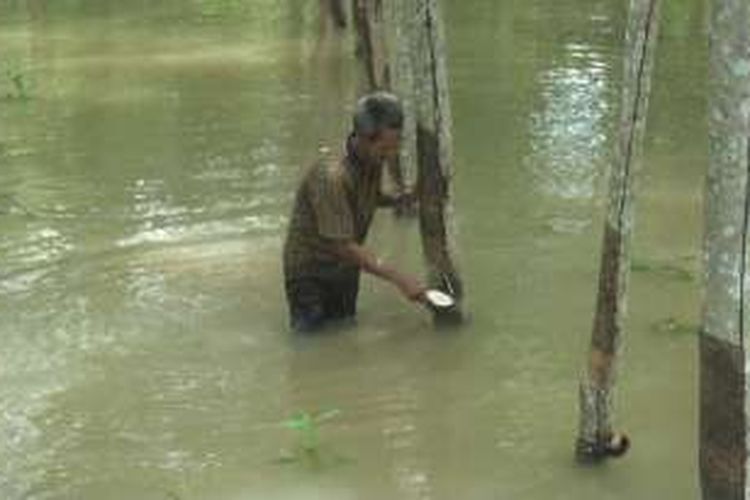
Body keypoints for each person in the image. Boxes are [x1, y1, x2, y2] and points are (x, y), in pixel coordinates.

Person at [283, 91, 426, 332]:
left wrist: (404, 198)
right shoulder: (331, 177)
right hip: (310, 273)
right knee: (311, 346)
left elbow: (369, 197)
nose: (389, 156)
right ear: (363, 139)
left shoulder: (371, 161)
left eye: (394, 148)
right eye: (384, 150)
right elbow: (341, 245)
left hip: (345, 269)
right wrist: (399, 278)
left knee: (344, 332)